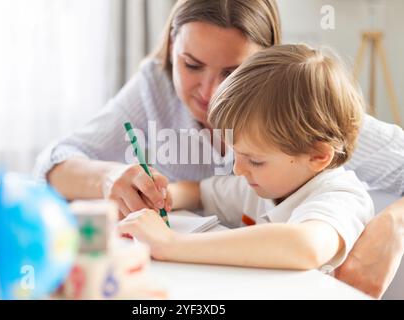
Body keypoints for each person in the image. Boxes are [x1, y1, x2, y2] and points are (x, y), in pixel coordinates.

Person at [34, 0, 404, 297]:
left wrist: (392, 224)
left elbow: (303, 245)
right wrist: (143, 189)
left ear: (265, 70)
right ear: (170, 50)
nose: (210, 94)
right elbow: (203, 191)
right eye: (192, 65)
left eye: (232, 73)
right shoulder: (257, 184)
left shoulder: (307, 116)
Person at [118, 44, 375, 271]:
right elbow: (200, 192)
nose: (238, 169)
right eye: (236, 153)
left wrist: (172, 244)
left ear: (318, 156)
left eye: (254, 160)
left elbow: (304, 246)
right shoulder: (263, 186)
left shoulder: (341, 196)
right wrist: (161, 195)